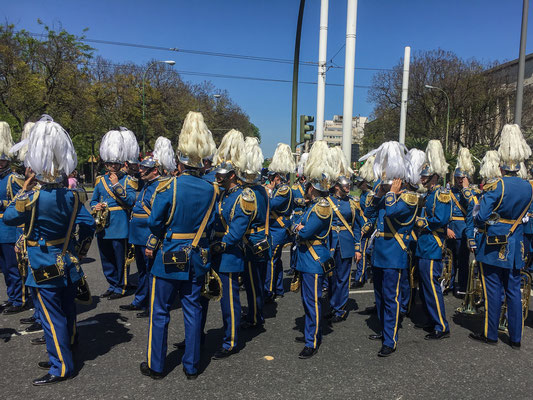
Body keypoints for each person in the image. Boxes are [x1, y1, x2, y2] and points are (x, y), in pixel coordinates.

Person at [4, 115, 95, 385]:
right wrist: (77, 251)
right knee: (67, 311)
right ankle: (66, 350)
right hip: (66, 259)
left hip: (42, 262)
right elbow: (88, 225)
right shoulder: (74, 195)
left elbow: (9, 218)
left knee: (50, 316)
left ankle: (61, 366)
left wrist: (23, 189)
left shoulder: (32, 197)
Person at [140, 111, 216, 380]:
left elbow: (154, 222)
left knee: (160, 311)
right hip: (197, 256)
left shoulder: (168, 186)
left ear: (180, 163)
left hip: (169, 254)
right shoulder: (212, 189)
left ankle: (157, 365)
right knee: (193, 310)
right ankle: (192, 366)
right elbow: (213, 223)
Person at [470, 124, 533, 349]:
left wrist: (486, 215)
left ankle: (491, 333)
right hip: (516, 244)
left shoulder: (497, 186)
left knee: (493, 289)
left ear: (502, 166)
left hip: (495, 244)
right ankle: (516, 338)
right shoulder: (528, 187)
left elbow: (481, 216)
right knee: (514, 291)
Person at [362, 141, 419, 357]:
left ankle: (391, 339)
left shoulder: (409, 197)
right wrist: (378, 195)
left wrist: (391, 193)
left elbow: (394, 212)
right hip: (379, 253)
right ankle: (384, 329)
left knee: (391, 298)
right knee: (379, 297)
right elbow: (369, 213)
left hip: (394, 254)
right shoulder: (386, 195)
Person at [209, 129, 253, 359]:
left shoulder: (244, 196)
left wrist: (222, 244)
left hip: (229, 254)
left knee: (229, 301)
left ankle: (231, 341)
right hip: (214, 251)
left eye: (222, 174)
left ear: (233, 175)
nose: (218, 176)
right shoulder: (222, 194)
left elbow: (237, 229)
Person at [293, 141, 333, 359]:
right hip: (307, 259)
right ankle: (311, 332)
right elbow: (296, 223)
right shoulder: (313, 206)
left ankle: (312, 340)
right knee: (307, 301)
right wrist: (298, 227)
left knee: (313, 301)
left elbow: (306, 232)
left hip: (314, 259)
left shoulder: (322, 207)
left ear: (312, 188)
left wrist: (300, 228)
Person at [90, 129, 136, 299]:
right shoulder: (100, 180)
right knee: (106, 258)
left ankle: (122, 285)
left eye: (115, 164)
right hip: (104, 224)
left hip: (120, 224)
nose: (113, 167)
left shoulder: (127, 180)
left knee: (121, 258)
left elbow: (131, 201)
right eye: (110, 164)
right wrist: (96, 207)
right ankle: (112, 283)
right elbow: (93, 200)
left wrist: (117, 185)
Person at [414, 140, 452, 340]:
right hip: (424, 245)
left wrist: (422, 222)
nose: (422, 178)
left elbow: (442, 219)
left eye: (425, 176)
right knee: (425, 287)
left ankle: (441, 325)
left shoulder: (442, 194)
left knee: (432, 287)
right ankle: (432, 318)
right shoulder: (428, 195)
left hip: (432, 245)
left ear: (434, 177)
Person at [119, 157, 160, 316]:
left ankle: (152, 306)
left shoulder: (159, 187)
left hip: (148, 235)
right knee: (142, 271)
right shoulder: (146, 184)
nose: (140, 170)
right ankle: (140, 300)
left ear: (154, 171)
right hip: (138, 235)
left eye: (145, 169)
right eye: (141, 167)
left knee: (151, 272)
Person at [326, 146, 362, 323]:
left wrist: (358, 247)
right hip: (329, 242)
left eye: (349, 185)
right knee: (330, 277)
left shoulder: (353, 203)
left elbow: (357, 226)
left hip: (346, 243)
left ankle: (339, 308)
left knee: (342, 278)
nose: (348, 187)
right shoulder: (327, 201)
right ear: (336, 186)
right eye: (345, 185)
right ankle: (332, 304)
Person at [238, 137, 270, 329]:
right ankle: (256, 312)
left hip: (251, 239)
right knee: (257, 281)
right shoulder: (263, 190)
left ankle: (255, 316)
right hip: (263, 237)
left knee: (252, 283)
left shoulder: (248, 193)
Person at [0, 121, 26, 314]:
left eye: (2, 160)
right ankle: (12, 296)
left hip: (10, 229)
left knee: (13, 267)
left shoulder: (13, 178)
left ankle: (19, 299)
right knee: (4, 268)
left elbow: (21, 202)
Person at [265, 143, 296, 302]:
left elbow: (272, 205)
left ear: (277, 177)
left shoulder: (283, 189)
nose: (270, 180)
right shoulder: (279, 189)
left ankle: (269, 290)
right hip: (274, 228)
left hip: (279, 229)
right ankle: (277, 288)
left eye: (271, 177)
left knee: (271, 260)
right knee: (275, 261)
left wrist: (268, 192)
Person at [447, 148, 475, 296]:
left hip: (463, 229)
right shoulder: (449, 190)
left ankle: (462, 286)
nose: (459, 180)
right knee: (449, 260)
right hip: (450, 228)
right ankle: (449, 284)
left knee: (462, 262)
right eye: (457, 178)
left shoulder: (471, 192)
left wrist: (466, 189)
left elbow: (474, 206)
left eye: (461, 178)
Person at [352, 155, 375, 288]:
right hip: (360, 224)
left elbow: (371, 214)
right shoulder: (363, 194)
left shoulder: (370, 195)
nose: (358, 185)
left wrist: (366, 226)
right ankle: (362, 275)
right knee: (360, 251)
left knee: (363, 252)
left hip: (367, 226)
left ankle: (360, 277)